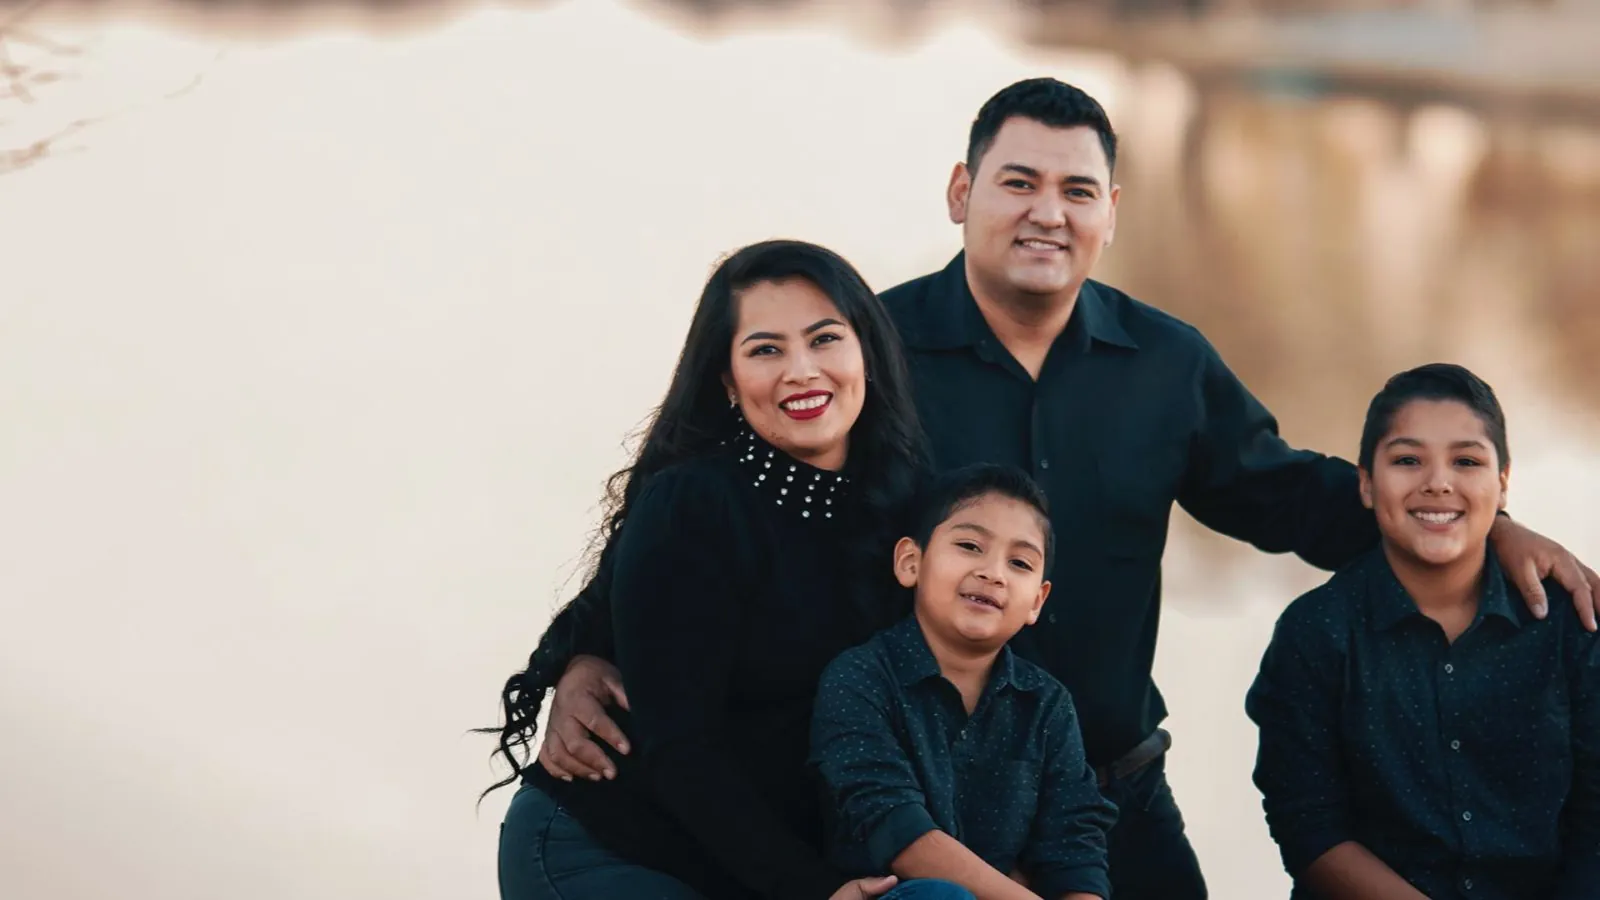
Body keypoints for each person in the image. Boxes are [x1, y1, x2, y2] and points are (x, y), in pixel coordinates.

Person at [520, 79, 1599, 900]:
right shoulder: (867, 356)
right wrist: (582, 650)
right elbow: (714, 508)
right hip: (927, 787)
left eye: (1076, 189)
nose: (1047, 212)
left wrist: (1481, 526)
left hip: (1109, 775)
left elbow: (1291, 499)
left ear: (1111, 210)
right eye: (1018, 182)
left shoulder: (1166, 363)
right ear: (962, 193)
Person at [485, 239, 976, 900]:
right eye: (765, 349)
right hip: (614, 849)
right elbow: (680, 749)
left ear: (868, 350)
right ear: (727, 379)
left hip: (763, 863)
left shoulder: (910, 504)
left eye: (825, 339)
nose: (801, 371)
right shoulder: (694, 504)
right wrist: (814, 890)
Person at [1245, 363, 1600, 899]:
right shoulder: (1315, 633)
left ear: (1502, 484)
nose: (1438, 481)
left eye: (1466, 461)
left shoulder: (1570, 623)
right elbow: (1308, 827)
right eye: (1408, 460)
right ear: (1365, 483)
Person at [811, 464, 1115, 900]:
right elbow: (898, 833)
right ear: (910, 562)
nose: (994, 573)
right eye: (970, 546)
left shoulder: (1046, 703)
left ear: (1037, 601)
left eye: (1019, 562)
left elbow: (1074, 850)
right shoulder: (860, 679)